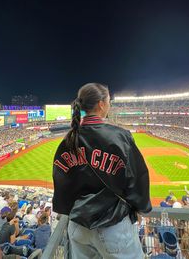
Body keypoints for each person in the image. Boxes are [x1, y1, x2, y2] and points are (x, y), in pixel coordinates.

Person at [53, 83, 152, 259]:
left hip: (77, 227)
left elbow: (62, 184)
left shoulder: (68, 140)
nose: (109, 105)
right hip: (112, 225)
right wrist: (141, 207)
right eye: (109, 101)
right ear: (101, 104)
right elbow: (138, 178)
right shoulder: (119, 136)